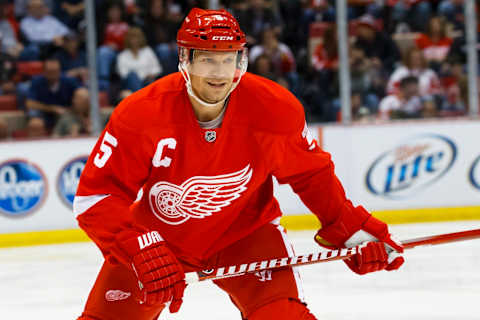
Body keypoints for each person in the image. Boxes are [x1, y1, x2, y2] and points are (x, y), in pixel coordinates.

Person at [74, 8, 404, 320]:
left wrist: (348, 226)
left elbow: (310, 173)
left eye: (228, 59)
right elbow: (95, 198)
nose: (219, 74)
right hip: (160, 240)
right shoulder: (141, 114)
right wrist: (139, 248)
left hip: (245, 236)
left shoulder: (274, 108)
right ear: (184, 60)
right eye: (207, 60)